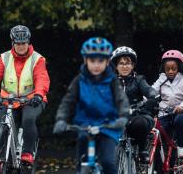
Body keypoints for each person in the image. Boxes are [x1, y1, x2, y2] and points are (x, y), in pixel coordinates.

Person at [53, 37, 130, 174]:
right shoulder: (79, 80)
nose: (96, 65)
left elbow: (121, 100)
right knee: (81, 159)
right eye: (92, 61)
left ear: (107, 62)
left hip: (108, 125)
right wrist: (61, 120)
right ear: (85, 60)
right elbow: (68, 102)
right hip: (85, 124)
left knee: (107, 162)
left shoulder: (112, 81)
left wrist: (123, 116)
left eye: (100, 61)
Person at [0, 25, 50, 165]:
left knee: (28, 119)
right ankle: (1, 157)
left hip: (32, 100)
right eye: (18, 43)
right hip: (8, 100)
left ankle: (27, 153)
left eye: (24, 43)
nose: (21, 46)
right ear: (12, 43)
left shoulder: (37, 59)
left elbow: (41, 78)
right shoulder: (4, 58)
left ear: (28, 42)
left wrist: (38, 95)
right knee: (1, 124)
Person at [111, 46, 159, 162]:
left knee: (139, 124)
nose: (125, 66)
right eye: (121, 63)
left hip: (135, 115)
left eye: (128, 63)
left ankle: (142, 150)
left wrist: (153, 96)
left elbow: (148, 90)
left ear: (132, 66)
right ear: (116, 66)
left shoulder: (139, 80)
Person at [152, 49, 183, 158]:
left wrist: (182, 106)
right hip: (165, 112)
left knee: (180, 120)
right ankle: (158, 164)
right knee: (157, 131)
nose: (170, 71)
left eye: (174, 68)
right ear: (164, 68)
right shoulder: (161, 79)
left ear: (179, 67)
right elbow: (151, 92)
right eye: (167, 69)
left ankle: (181, 146)